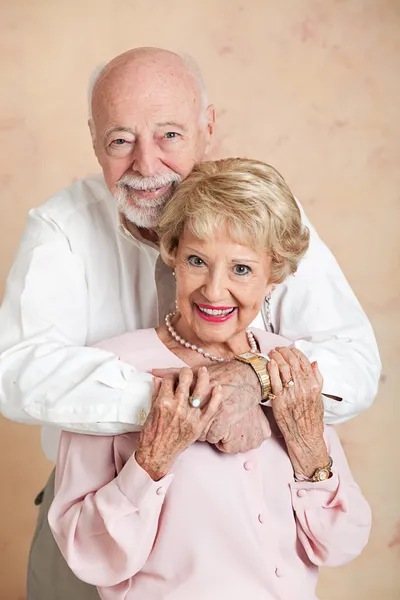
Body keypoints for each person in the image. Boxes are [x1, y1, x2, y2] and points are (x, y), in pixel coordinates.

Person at [0, 47, 379, 600]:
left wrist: (255, 380)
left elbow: (355, 362)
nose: (147, 165)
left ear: (208, 126)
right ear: (93, 139)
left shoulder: (265, 212)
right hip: (98, 519)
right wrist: (190, 403)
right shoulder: (62, 227)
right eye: (121, 140)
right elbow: (15, 374)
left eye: (169, 135)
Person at [49, 158, 372, 600]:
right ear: (173, 256)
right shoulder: (110, 367)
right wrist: (152, 461)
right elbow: (87, 552)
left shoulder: (287, 366)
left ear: (274, 275)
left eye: (241, 269)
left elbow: (340, 542)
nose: (214, 291)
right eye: (197, 261)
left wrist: (308, 446)